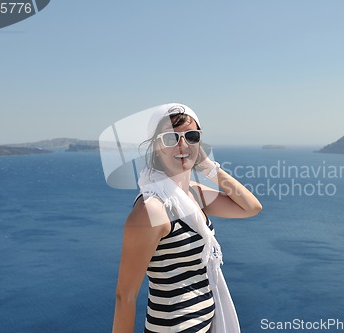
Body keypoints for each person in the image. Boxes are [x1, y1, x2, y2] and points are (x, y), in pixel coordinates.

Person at [111, 104, 262, 333]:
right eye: (171, 138)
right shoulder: (152, 210)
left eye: (191, 137)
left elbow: (251, 207)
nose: (182, 145)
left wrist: (209, 168)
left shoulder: (193, 194)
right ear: (155, 146)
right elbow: (125, 296)